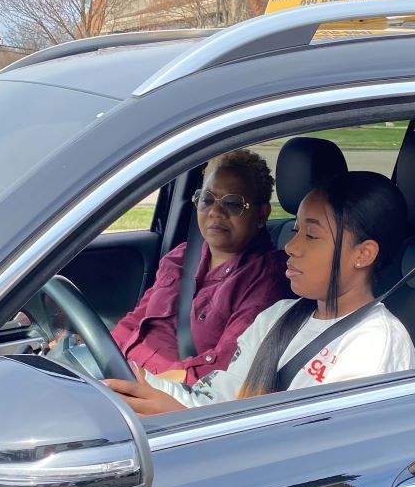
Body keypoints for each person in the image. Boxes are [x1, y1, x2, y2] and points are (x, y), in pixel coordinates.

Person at [106, 171, 415, 415]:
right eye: (295, 230)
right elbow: (217, 400)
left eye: (311, 235)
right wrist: (143, 387)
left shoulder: (373, 344)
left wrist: (172, 413)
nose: (292, 247)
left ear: (363, 254)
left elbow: (315, 457)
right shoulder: (279, 315)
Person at [111, 149, 290, 384]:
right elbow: (138, 320)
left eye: (234, 203)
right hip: (123, 373)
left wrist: (144, 384)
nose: (215, 212)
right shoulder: (181, 256)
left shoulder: (267, 280)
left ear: (261, 214)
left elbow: (222, 369)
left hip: (166, 398)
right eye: (206, 200)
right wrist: (98, 353)